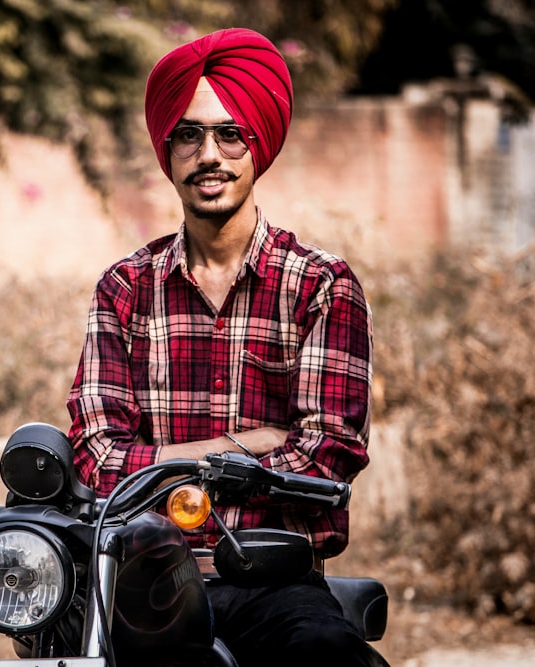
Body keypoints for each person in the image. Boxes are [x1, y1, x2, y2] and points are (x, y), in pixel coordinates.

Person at [66, 27, 374, 666]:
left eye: (230, 133)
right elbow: (97, 459)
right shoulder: (125, 288)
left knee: (325, 652)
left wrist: (159, 465)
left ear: (257, 147)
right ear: (168, 152)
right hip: (143, 584)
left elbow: (326, 456)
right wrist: (244, 446)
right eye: (189, 134)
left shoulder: (320, 286)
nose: (211, 154)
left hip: (275, 580)